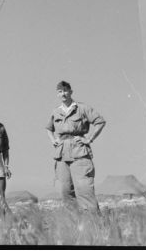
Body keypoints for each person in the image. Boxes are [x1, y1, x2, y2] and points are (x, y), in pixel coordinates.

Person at [45, 80, 106, 212]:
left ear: (71, 92)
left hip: (79, 152)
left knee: (85, 190)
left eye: (66, 91)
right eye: (60, 92)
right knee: (65, 191)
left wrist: (90, 138)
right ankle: (74, 226)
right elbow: (48, 128)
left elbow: (100, 121)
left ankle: (94, 225)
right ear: (57, 94)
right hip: (61, 154)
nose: (63, 94)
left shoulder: (82, 108)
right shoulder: (56, 111)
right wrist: (53, 140)